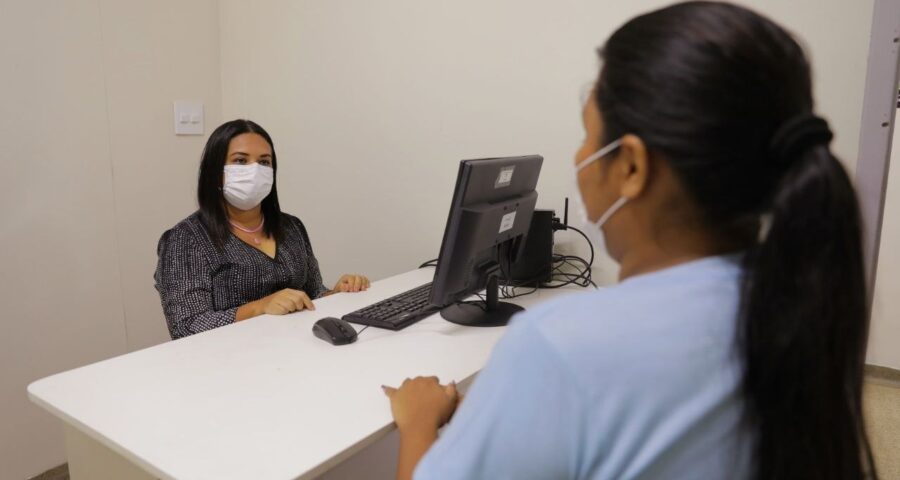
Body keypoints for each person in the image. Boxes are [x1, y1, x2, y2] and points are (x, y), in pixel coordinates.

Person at [382, 2, 877, 479]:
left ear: (632, 166)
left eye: (587, 137)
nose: (580, 157)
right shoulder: (795, 303)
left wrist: (419, 423)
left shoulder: (560, 345)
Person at [155, 119, 370, 340]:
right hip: (231, 361)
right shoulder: (186, 239)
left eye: (264, 162)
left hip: (298, 350)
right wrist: (259, 308)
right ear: (214, 171)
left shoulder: (292, 227)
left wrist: (337, 293)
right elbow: (186, 326)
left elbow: (313, 293)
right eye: (240, 160)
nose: (255, 170)